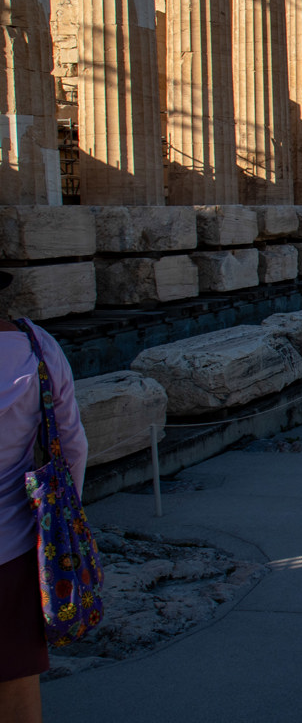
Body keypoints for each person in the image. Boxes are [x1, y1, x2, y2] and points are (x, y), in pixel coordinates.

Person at [2, 271, 89, 723]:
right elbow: (73, 446)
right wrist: (59, 524)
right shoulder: (38, 346)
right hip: (17, 549)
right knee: (17, 690)